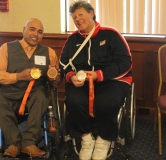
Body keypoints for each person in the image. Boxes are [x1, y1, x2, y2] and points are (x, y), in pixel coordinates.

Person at [59, 1, 132, 160]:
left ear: (91, 13)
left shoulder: (111, 34)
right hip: (82, 80)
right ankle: (86, 138)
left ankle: (104, 139)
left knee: (105, 102)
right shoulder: (72, 39)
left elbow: (125, 62)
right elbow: (63, 63)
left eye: (80, 14)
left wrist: (98, 75)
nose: (77, 19)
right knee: (73, 101)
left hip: (111, 80)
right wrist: (71, 76)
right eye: (74, 17)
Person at [0, 18, 60, 158]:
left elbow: (55, 82)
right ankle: (14, 143)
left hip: (35, 92)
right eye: (32, 29)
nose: (36, 34)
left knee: (41, 98)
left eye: (40, 32)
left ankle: (29, 143)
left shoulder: (49, 52)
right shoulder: (7, 48)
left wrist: (54, 78)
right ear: (24, 30)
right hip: (10, 91)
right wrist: (18, 76)